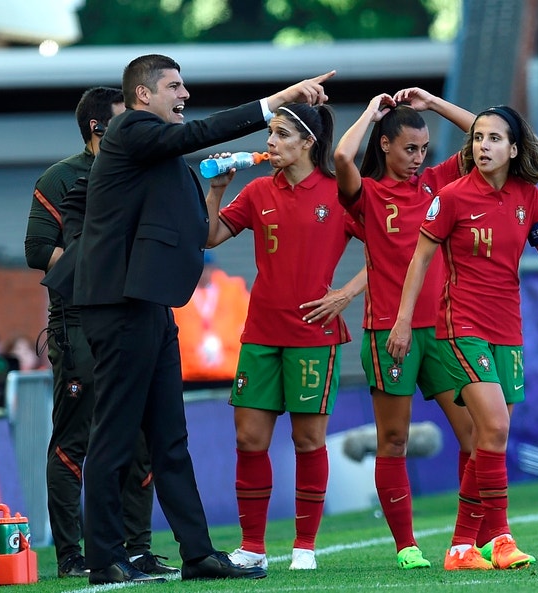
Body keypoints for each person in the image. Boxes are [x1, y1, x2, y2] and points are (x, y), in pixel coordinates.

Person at [72, 53, 335, 583]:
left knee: (170, 437)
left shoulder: (163, 152)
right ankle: (103, 557)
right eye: (174, 86)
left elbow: (198, 230)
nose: (185, 95)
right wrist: (277, 102)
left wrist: (216, 189)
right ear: (143, 95)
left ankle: (197, 553)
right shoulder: (132, 130)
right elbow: (200, 135)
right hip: (119, 304)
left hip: (150, 302)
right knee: (115, 437)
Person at [387, 105, 538, 570]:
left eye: (494, 138)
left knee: (487, 439)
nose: (483, 146)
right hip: (462, 327)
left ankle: (459, 547)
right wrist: (402, 320)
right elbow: (418, 262)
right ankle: (500, 539)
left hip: (507, 330)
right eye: (478, 138)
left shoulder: (528, 197)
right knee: (493, 428)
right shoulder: (451, 197)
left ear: (513, 149)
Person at [24, 87, 178, 580]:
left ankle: (136, 547)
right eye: (123, 121)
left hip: (136, 320)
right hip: (78, 326)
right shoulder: (60, 177)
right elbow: (36, 248)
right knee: (74, 441)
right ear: (98, 128)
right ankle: (71, 552)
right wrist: (96, 273)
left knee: (140, 439)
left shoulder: (141, 169)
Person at [205, 103, 364, 571]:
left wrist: (345, 294)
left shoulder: (339, 194)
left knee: (308, 441)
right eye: (269, 134)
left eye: (279, 134)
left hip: (315, 336)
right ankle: (252, 547)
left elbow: (390, 250)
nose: (269, 143)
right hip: (261, 334)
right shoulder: (256, 191)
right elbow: (209, 237)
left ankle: (304, 548)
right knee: (249, 439)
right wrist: (215, 192)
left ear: (307, 142)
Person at [333, 88, 476, 570]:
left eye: (423, 149)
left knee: (476, 437)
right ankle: (406, 546)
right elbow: (340, 155)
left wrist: (434, 104)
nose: (418, 158)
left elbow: (486, 136)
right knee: (393, 441)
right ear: (387, 146)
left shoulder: (438, 186)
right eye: (409, 148)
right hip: (388, 333)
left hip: (444, 332)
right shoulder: (368, 195)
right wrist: (373, 113)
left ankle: (465, 541)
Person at [172, 251, 249, 388]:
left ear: (212, 268)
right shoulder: (176, 293)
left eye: (205, 268)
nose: (202, 273)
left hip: (228, 374)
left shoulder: (233, 292)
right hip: (188, 376)